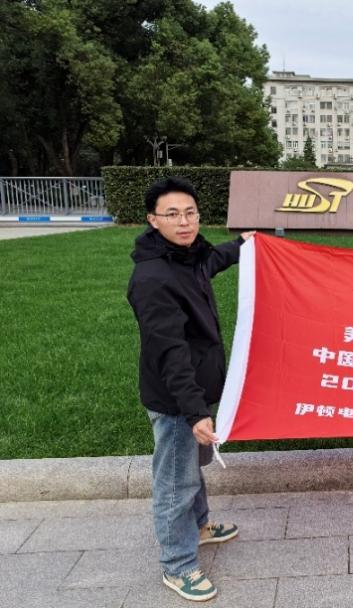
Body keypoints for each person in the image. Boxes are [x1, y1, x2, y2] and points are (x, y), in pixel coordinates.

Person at [127, 176, 255, 601]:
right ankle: (178, 565)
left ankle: (199, 527)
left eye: (190, 213)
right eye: (172, 214)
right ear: (153, 220)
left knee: (191, 466)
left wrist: (242, 246)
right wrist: (194, 411)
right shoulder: (152, 278)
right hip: (177, 399)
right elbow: (169, 352)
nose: (184, 222)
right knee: (175, 482)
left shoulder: (186, 255)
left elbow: (211, 262)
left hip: (196, 389)